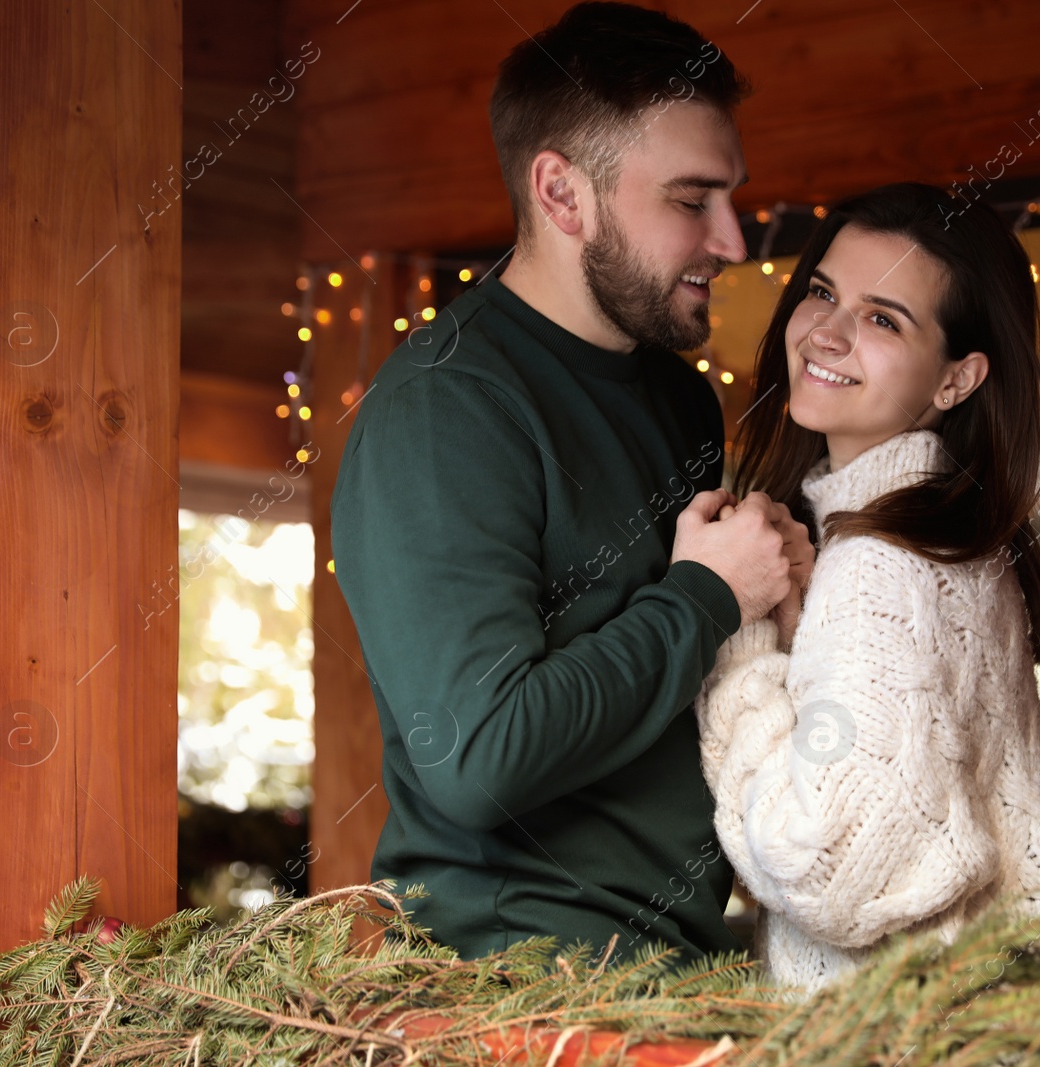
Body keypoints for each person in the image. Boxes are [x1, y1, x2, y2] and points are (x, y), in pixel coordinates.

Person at [329, 2, 812, 968]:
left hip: (675, 967)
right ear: (562, 193)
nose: (733, 239)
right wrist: (708, 595)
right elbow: (477, 758)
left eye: (732, 196)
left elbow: (682, 681)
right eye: (690, 199)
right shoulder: (446, 408)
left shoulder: (678, 400)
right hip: (510, 986)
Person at [696, 182, 1040, 995]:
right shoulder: (949, 540)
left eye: (882, 318)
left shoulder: (885, 564)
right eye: (824, 293)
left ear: (956, 380)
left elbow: (829, 859)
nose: (825, 333)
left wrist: (739, 638)